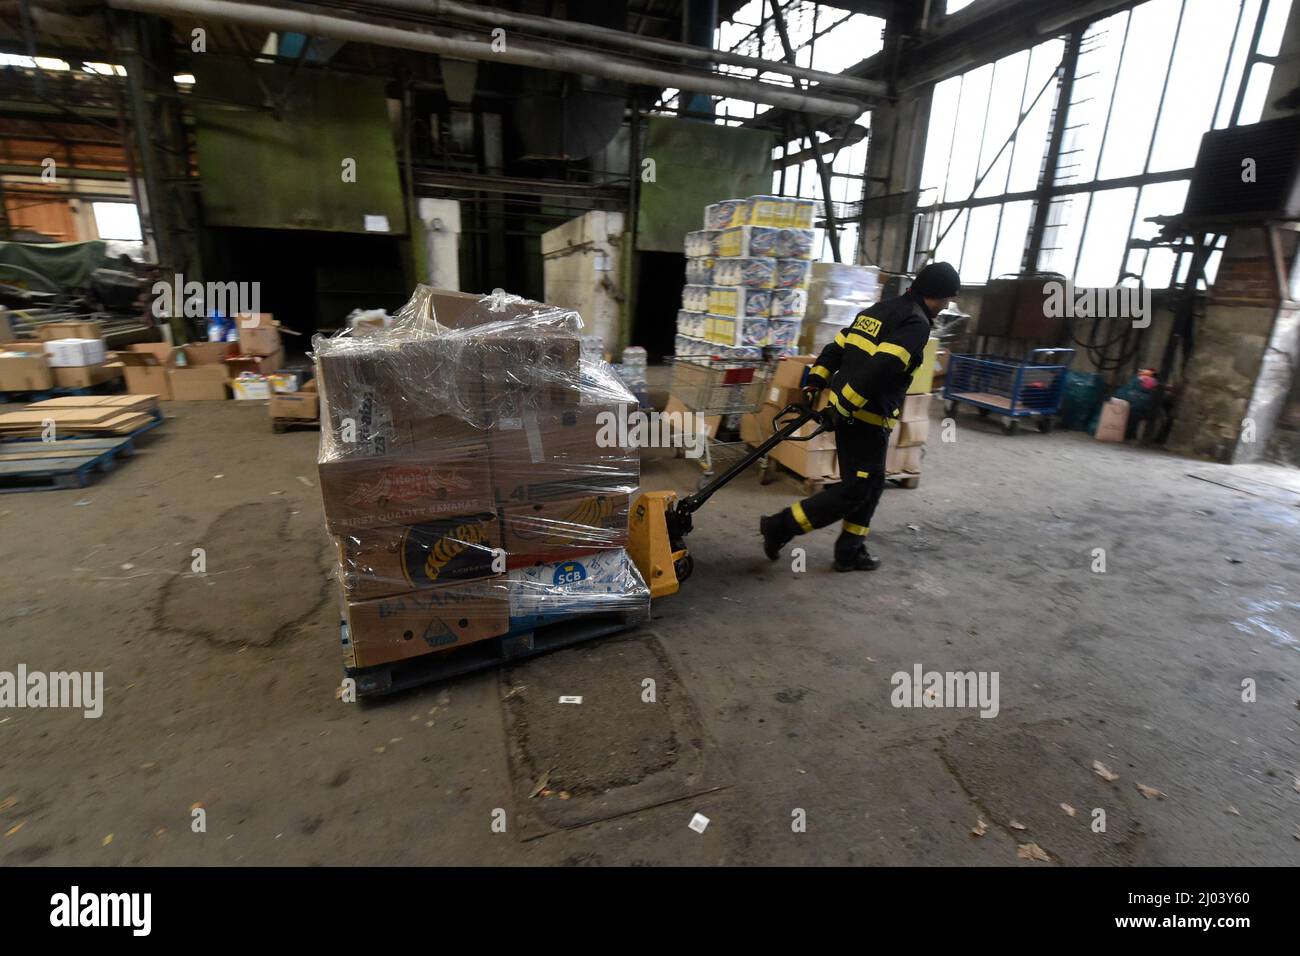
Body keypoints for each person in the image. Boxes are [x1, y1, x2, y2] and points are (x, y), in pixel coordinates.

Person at [759, 261, 961, 571]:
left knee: (872, 484)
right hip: (865, 419)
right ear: (941, 296)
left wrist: (815, 381)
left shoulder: (877, 310)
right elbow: (879, 370)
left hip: (854, 414)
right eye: (948, 299)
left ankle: (850, 550)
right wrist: (841, 408)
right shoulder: (916, 324)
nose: (947, 305)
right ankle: (780, 527)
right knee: (855, 490)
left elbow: (836, 347)